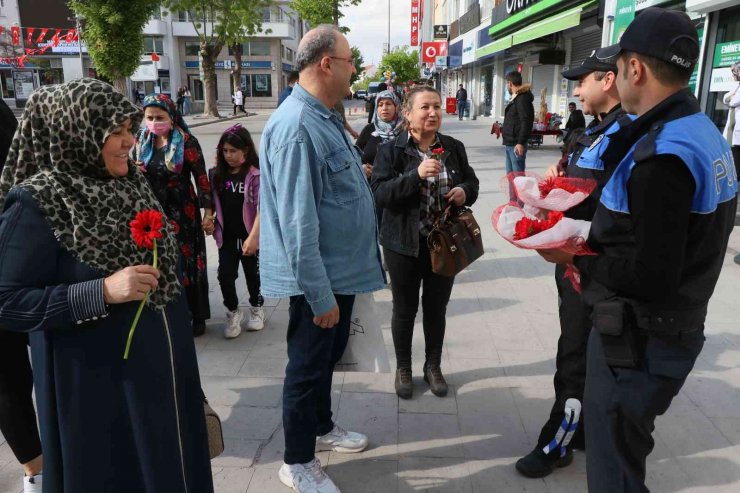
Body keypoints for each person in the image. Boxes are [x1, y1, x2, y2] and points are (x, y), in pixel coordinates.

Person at [538, 9, 738, 492]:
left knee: (613, 473)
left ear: (634, 70)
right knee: (624, 457)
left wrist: (573, 256)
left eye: (617, 64)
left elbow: (652, 275)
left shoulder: (662, 154)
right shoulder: (700, 129)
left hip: (640, 340)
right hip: (666, 330)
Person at [0, 78, 214, 493]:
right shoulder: (38, 200)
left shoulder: (129, 180)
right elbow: (7, 301)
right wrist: (100, 292)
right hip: (99, 396)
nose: (127, 142)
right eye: (113, 133)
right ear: (76, 133)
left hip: (163, 377)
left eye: (129, 130)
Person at [260, 25, 384, 493]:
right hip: (321, 280)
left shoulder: (324, 115)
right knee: (307, 368)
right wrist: (319, 295)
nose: (357, 69)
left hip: (341, 272)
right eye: (351, 60)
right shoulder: (296, 127)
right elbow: (297, 224)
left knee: (325, 362)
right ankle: (297, 461)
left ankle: (321, 425)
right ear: (327, 63)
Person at [516, 48, 630, 479]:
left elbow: (610, 205)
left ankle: (557, 441)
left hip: (596, 269)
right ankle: (579, 427)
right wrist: (553, 184)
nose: (576, 90)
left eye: (582, 81)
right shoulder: (597, 130)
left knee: (576, 357)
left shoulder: (627, 136)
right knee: (576, 350)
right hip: (574, 262)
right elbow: (579, 183)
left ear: (607, 80)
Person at [372, 85, 480, 399]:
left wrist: (464, 192)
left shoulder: (453, 147)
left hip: (444, 243)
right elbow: (380, 193)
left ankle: (433, 366)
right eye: (424, 108)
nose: (432, 113)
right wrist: (415, 175)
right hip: (402, 244)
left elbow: (470, 181)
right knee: (404, 310)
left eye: (436, 107)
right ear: (408, 114)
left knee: (436, 309)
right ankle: (403, 368)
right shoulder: (391, 151)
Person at [132, 93, 213, 337]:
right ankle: (166, 309)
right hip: (152, 213)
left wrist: (208, 212)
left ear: (172, 117)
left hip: (183, 213)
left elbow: (201, 179)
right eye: (149, 117)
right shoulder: (141, 139)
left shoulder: (186, 141)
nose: (154, 122)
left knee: (187, 262)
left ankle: (196, 314)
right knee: (158, 261)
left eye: (160, 117)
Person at [0, 98, 44, 493]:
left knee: (18, 374)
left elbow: (17, 168)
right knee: (9, 379)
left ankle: (39, 469)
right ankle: (36, 470)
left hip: (16, 254)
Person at [207, 123, 265, 338]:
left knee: (253, 275)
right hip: (227, 237)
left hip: (250, 237)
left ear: (246, 150)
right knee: (225, 275)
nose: (229, 155)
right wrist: (209, 217)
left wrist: (253, 237)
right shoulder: (216, 174)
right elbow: (211, 201)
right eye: (225, 151)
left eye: (233, 151)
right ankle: (232, 311)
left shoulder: (256, 175)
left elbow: (262, 209)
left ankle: (257, 308)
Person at [356, 89, 402, 178]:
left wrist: (382, 172)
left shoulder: (404, 131)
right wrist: (362, 168)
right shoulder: (369, 129)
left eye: (388, 104)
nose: (384, 108)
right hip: (370, 188)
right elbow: (354, 155)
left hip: (396, 187)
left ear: (396, 106)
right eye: (380, 105)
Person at [502, 71, 534, 183]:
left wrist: (520, 142)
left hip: (516, 144)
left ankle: (519, 201)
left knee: (518, 178)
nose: (507, 86)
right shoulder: (516, 98)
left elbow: (526, 121)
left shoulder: (522, 98)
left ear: (510, 83)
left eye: (507, 83)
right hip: (510, 142)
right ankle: (513, 200)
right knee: (511, 176)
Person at [723, 61, 740, 177]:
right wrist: (730, 96)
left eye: (734, 71)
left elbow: (733, 101)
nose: (733, 74)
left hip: (738, 130)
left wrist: (731, 97)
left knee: (736, 159)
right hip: (732, 128)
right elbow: (725, 98)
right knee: (731, 154)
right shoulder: (736, 85)